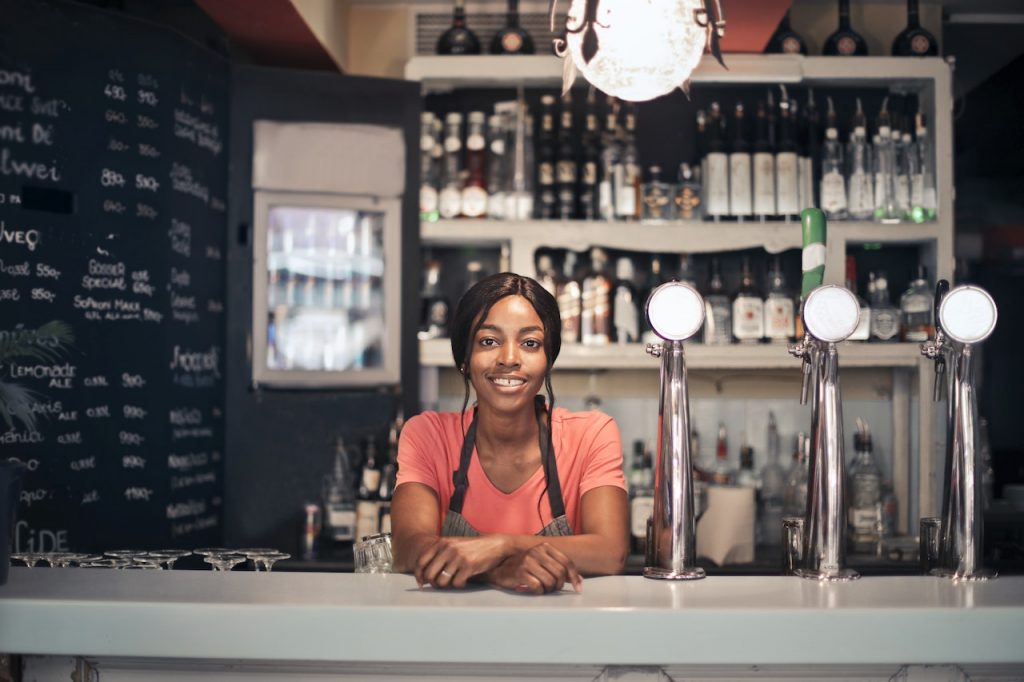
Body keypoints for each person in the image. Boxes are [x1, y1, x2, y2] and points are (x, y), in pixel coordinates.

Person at [391, 272, 629, 594]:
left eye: (530, 343)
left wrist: (501, 546)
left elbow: (610, 552)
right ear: (464, 358)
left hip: (564, 635)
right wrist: (501, 571)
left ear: (548, 360)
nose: (509, 359)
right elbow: (408, 549)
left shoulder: (591, 434)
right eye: (489, 341)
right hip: (448, 633)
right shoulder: (427, 435)